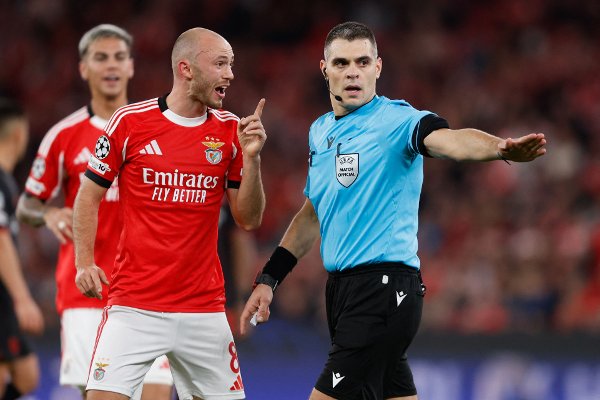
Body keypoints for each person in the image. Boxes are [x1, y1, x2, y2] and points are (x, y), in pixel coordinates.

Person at [240, 21, 547, 400]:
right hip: (343, 292)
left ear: (378, 68)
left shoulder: (399, 121)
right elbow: (313, 213)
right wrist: (269, 279)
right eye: (341, 63)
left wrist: (500, 148)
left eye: (362, 62)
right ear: (324, 69)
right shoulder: (319, 132)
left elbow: (448, 141)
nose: (352, 71)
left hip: (384, 289)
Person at [73, 27, 266, 400]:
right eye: (221, 64)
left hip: (204, 309)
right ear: (186, 68)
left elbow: (248, 219)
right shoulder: (129, 123)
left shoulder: (231, 131)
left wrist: (253, 160)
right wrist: (85, 261)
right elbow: (87, 195)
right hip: (133, 305)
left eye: (232, 65)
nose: (230, 74)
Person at [15, 24, 173, 399]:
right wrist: (49, 215)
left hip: (148, 292)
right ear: (83, 68)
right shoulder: (64, 135)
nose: (111, 65)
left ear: (132, 66)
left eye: (119, 57)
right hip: (85, 294)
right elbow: (26, 205)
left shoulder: (159, 130)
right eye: (100, 58)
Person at [0, 98, 44, 399]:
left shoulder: (7, 181)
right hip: (3, 297)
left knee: (26, 375)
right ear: (19, 134)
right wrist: (22, 297)